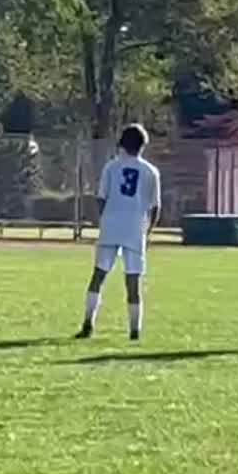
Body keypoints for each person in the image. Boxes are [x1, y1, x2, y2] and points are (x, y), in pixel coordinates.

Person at [77, 124, 161, 341]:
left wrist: (104, 221)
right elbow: (155, 207)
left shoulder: (111, 167)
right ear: (143, 145)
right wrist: (148, 231)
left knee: (98, 276)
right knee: (133, 282)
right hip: (135, 228)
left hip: (111, 226)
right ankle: (134, 331)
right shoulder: (151, 171)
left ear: (122, 143)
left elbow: (101, 198)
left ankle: (88, 322)